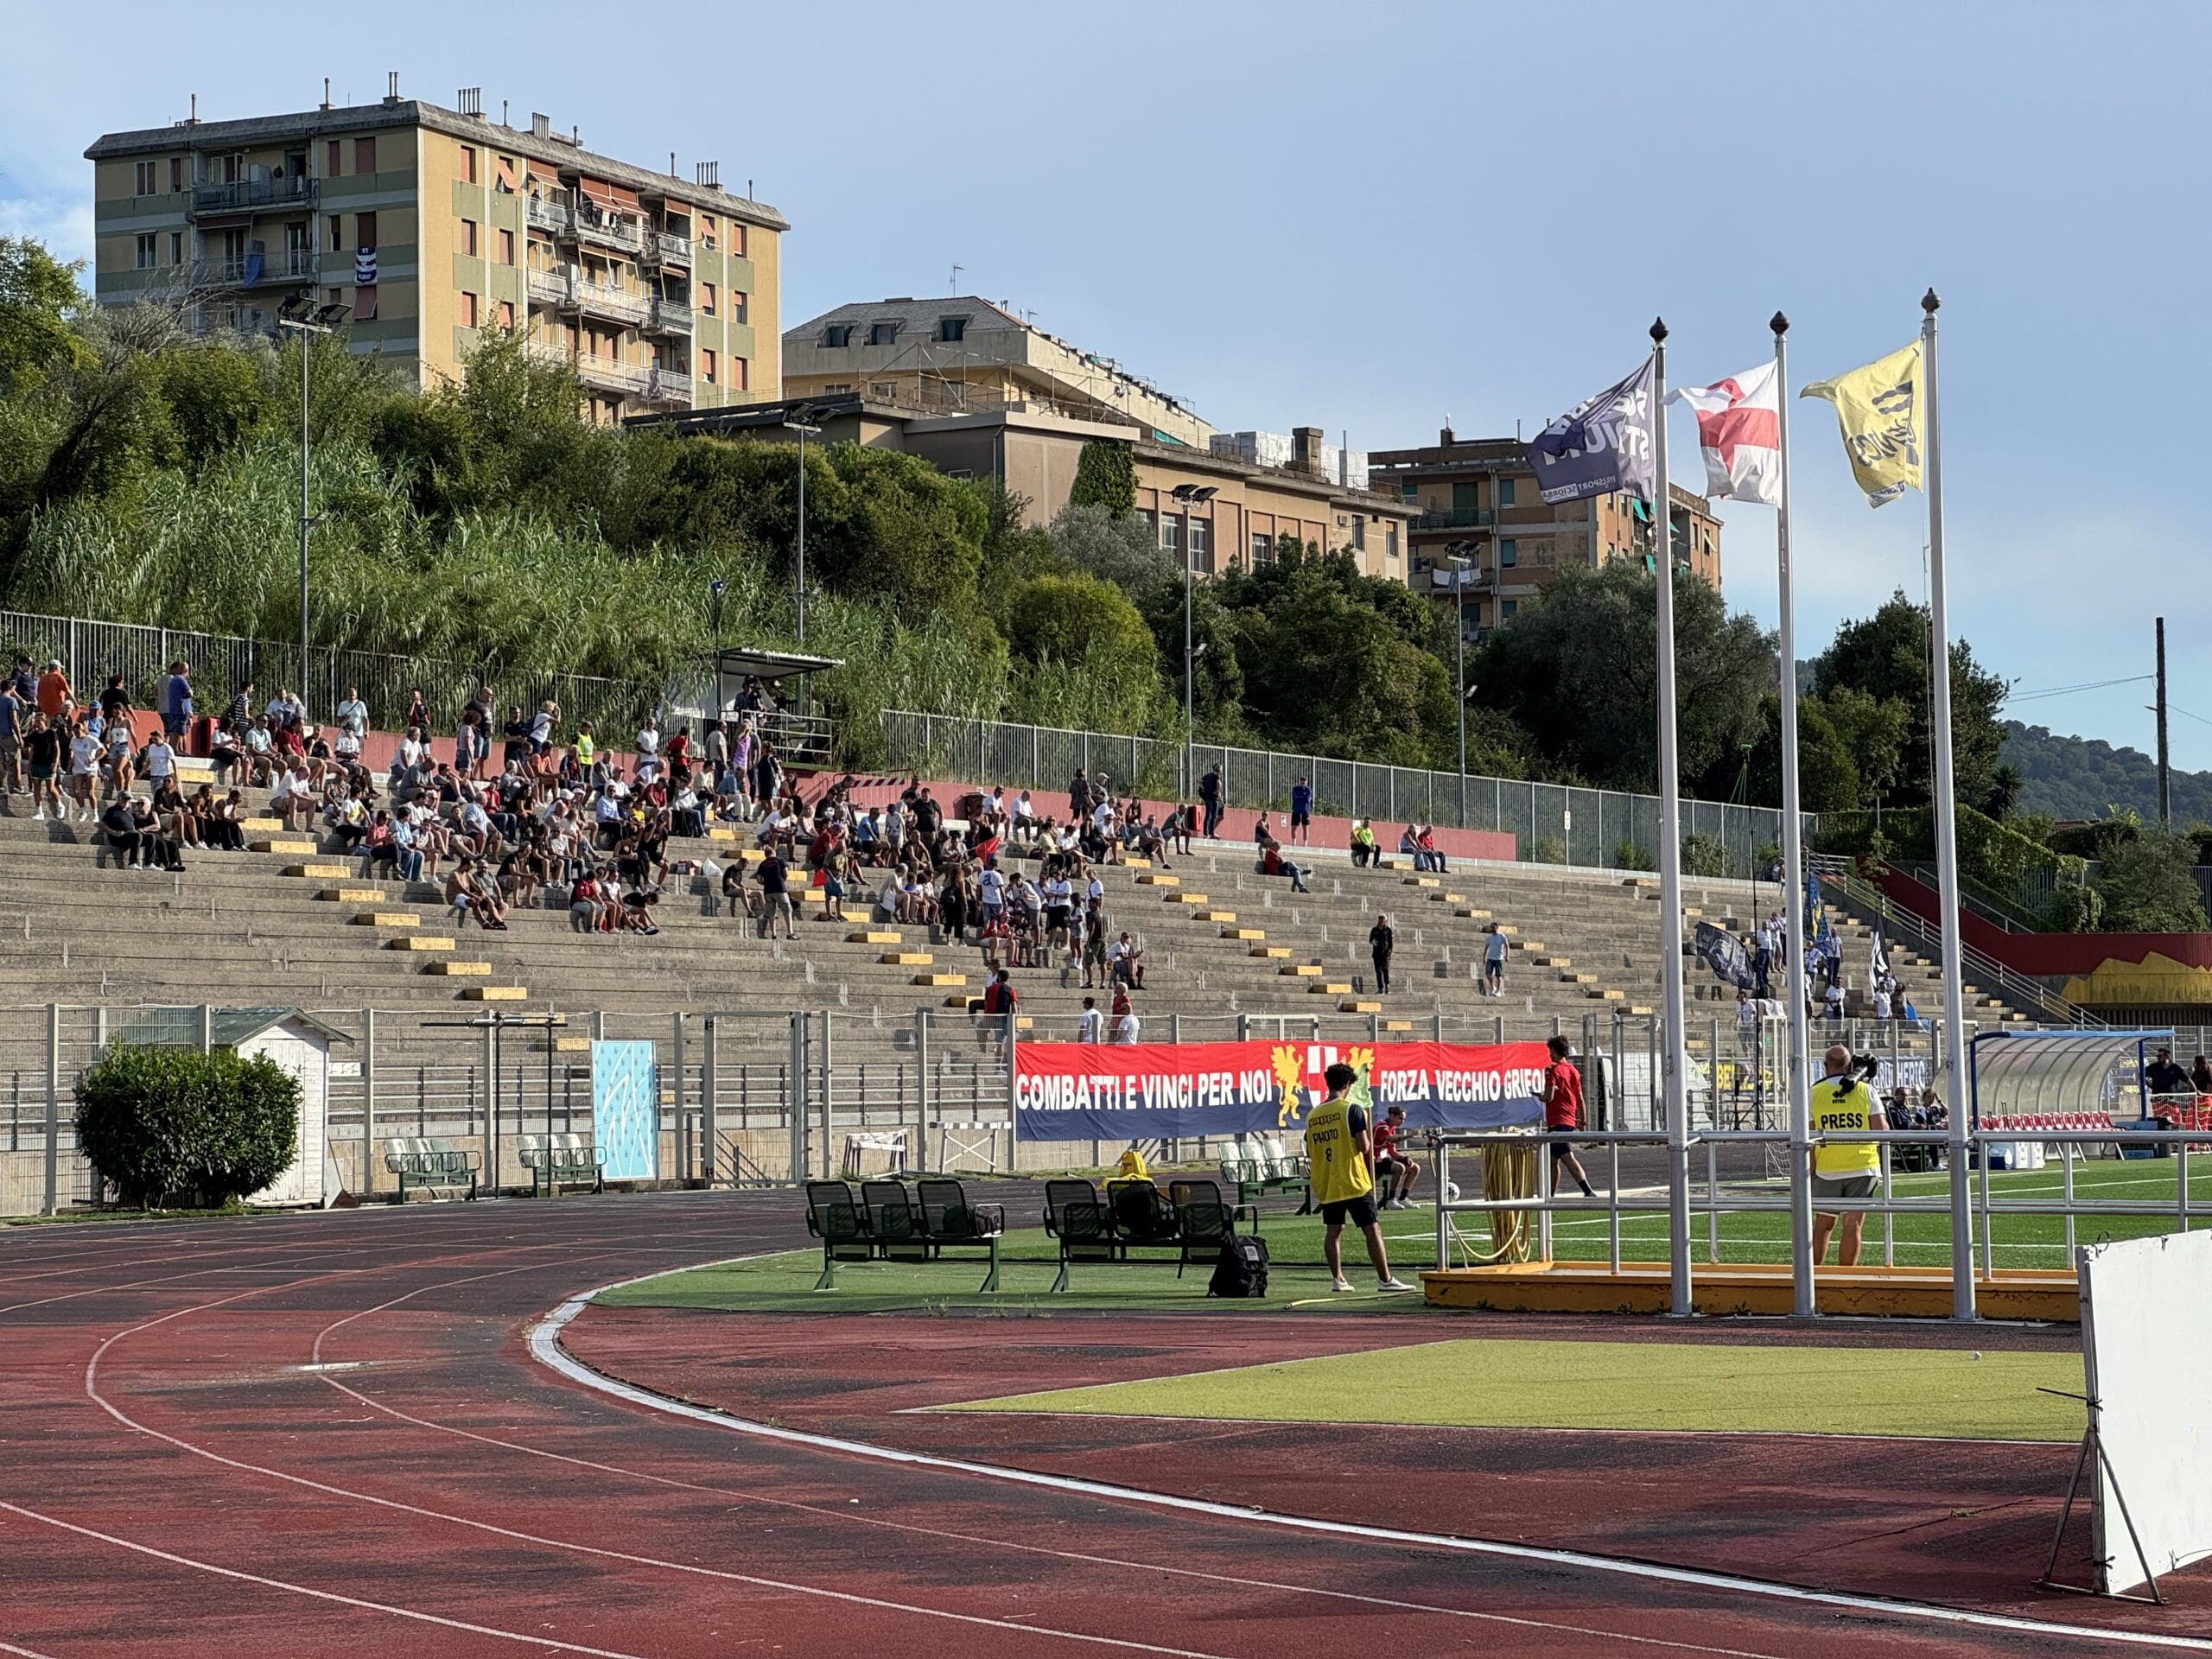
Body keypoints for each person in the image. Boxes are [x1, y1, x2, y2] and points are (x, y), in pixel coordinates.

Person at [1303, 1061, 1414, 1294]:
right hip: (1353, 1180)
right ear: (1347, 1084)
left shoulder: (1313, 1115)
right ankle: (1385, 1280)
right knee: (1372, 1229)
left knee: (1333, 1231)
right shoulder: (1351, 1109)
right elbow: (1364, 1147)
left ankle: (1339, 1280)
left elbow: (1310, 1147)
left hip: (1327, 1181)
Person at [1808, 1045, 1887, 1267]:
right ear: (1849, 1065)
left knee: (1823, 1223)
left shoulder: (1814, 1093)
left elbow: (1809, 1136)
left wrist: (1810, 1171)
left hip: (1827, 1167)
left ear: (1825, 1067)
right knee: (1853, 1224)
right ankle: (1846, 1277)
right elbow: (1882, 1132)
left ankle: (1814, 1277)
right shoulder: (1865, 1090)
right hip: (1863, 1165)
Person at [1542, 1034, 1598, 1198]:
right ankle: (1550, 1194)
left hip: (1557, 1121)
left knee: (1567, 1157)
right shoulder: (1573, 1071)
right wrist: (1582, 1120)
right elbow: (1580, 1098)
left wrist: (1540, 1096)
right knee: (1553, 1160)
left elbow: (1549, 1097)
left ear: (1553, 1050)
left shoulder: (1551, 1070)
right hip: (1568, 1119)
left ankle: (1588, 1191)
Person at [1371, 1103, 1421, 1208]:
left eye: (1403, 1119)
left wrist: (1403, 1157)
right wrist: (1408, 1136)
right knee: (1400, 1168)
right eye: (1400, 1118)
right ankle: (1391, 1199)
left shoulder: (1391, 1128)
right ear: (1392, 1116)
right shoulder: (1382, 1127)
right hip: (1375, 1161)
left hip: (1385, 1159)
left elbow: (1393, 1152)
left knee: (1415, 1168)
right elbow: (1391, 1139)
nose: (1402, 1122)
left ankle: (1403, 1198)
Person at [756, 847, 795, 939]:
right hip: (780, 889)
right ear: (773, 852)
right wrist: (782, 880)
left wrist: (766, 883)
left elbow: (758, 879)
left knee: (771, 913)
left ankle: (774, 933)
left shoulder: (762, 864)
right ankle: (790, 933)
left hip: (768, 891)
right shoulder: (779, 860)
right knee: (787, 910)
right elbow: (786, 873)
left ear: (765, 854)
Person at [1368, 913, 1395, 996]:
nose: (1380, 921)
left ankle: (1387, 986)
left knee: (1385, 970)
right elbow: (1370, 940)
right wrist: (1375, 943)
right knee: (1378, 971)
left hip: (1385, 954)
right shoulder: (1374, 930)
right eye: (1379, 919)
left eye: (1382, 920)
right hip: (1376, 954)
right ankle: (1380, 988)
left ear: (1385, 921)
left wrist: (1390, 952)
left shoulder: (1388, 930)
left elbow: (1391, 942)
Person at [1483, 921, 1508, 997]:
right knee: (1488, 973)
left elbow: (1507, 945)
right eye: (1491, 927)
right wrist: (1484, 958)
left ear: (1497, 927)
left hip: (1499, 958)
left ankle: (1498, 991)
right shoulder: (1489, 938)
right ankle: (1493, 987)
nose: (1492, 929)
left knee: (1498, 975)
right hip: (1490, 958)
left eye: (1493, 927)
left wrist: (1507, 955)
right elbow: (1486, 948)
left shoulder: (1501, 936)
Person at [1289, 776, 1313, 846]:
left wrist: (1300, 798)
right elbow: (1295, 798)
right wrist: (1302, 797)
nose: (1303, 783)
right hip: (1296, 810)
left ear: (1306, 782)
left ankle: (1305, 844)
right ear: (1300, 782)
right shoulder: (1295, 789)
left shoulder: (1308, 790)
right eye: (1302, 782)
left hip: (1305, 810)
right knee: (1294, 826)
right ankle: (1293, 842)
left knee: (1305, 827)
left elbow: (1307, 799)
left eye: (1304, 782)